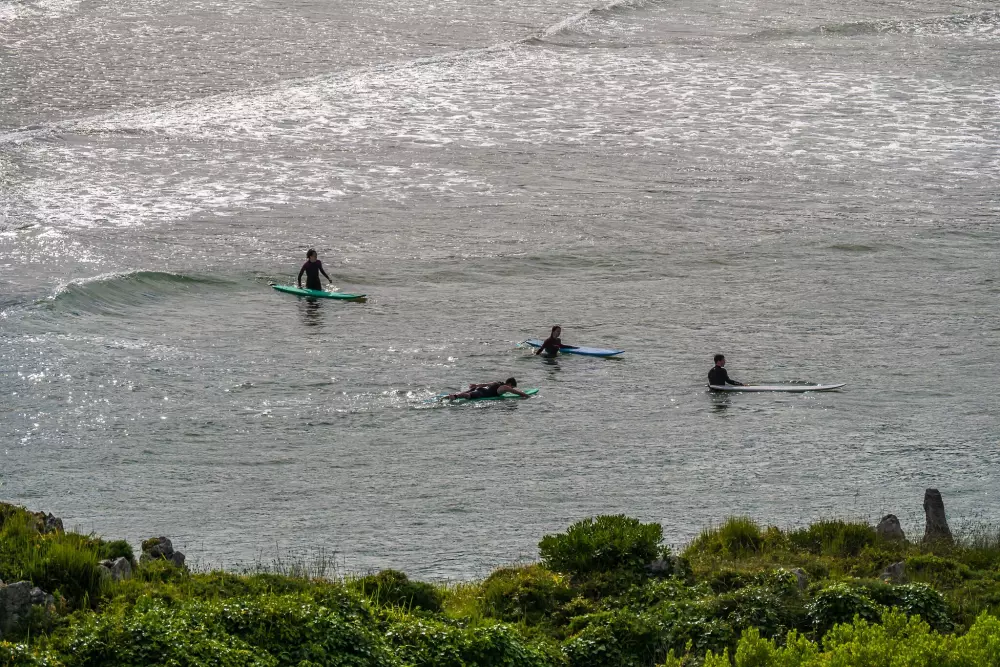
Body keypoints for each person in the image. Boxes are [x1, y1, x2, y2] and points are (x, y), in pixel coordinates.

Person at [446, 377, 530, 400]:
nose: (511, 388)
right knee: (468, 396)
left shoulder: (497, 383)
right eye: (512, 386)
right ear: (510, 384)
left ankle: (447, 396)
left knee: (467, 392)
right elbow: (516, 393)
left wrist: (476, 385)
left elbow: (485, 384)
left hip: (481, 389)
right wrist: (527, 396)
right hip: (482, 393)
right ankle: (455, 397)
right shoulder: (505, 387)